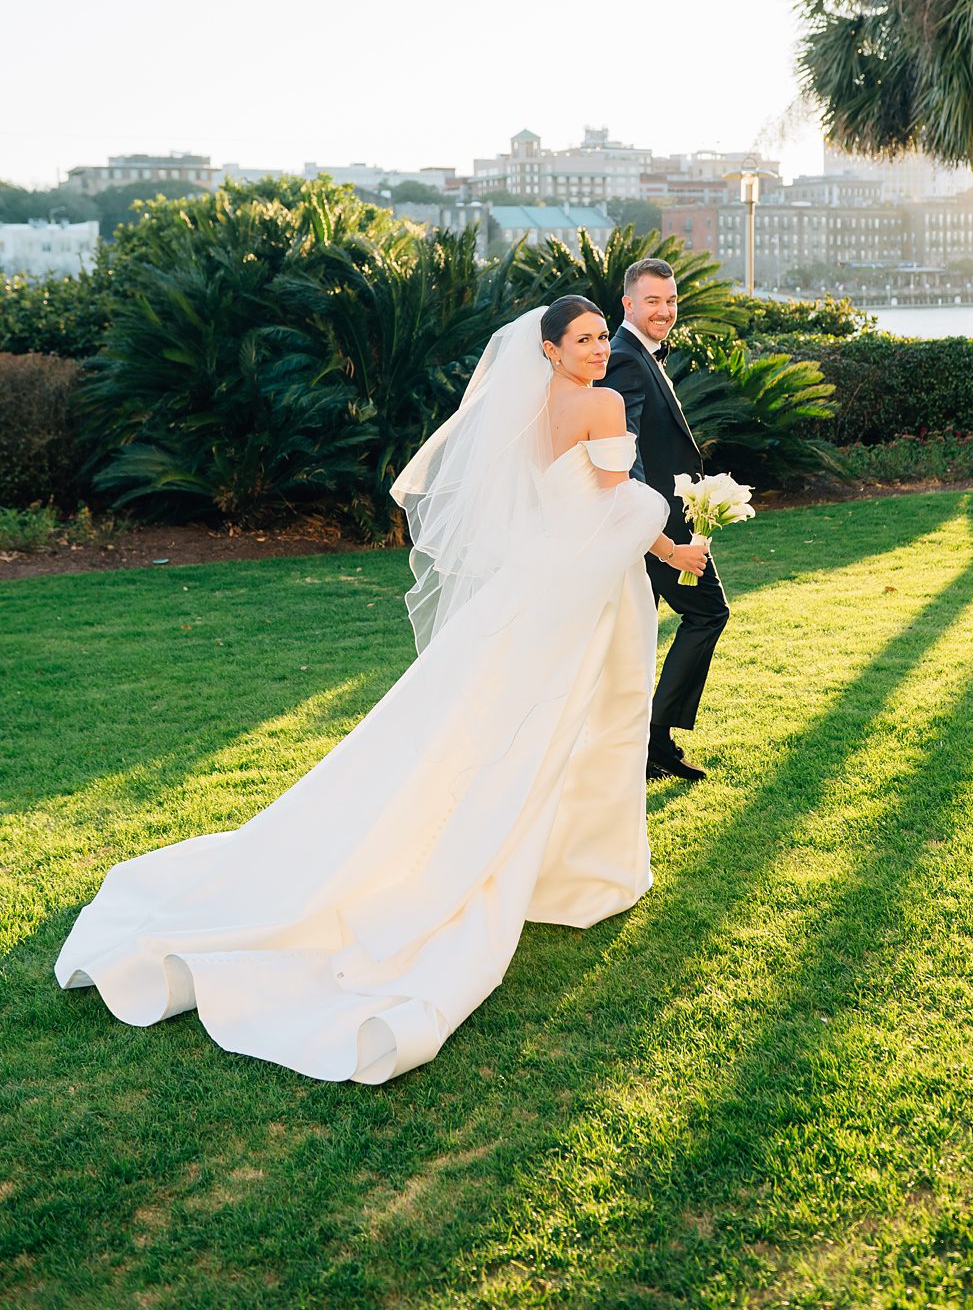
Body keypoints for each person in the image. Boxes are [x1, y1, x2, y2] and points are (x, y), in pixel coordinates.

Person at [53, 297, 706, 1086]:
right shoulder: (600, 404)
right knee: (590, 723)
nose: (600, 350)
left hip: (536, 583)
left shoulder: (529, 407)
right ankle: (580, 875)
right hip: (582, 590)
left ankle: (550, 863)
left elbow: (543, 503)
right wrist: (677, 539)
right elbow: (613, 503)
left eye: (603, 337)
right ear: (550, 348)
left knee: (507, 722)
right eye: (585, 339)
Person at [603, 258, 731, 784]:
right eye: (653, 301)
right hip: (656, 528)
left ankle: (636, 743)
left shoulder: (639, 353)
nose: (665, 310)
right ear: (628, 303)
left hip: (662, 520)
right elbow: (624, 448)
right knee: (708, 613)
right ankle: (654, 739)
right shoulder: (625, 359)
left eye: (671, 300)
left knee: (635, 635)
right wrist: (653, 531)